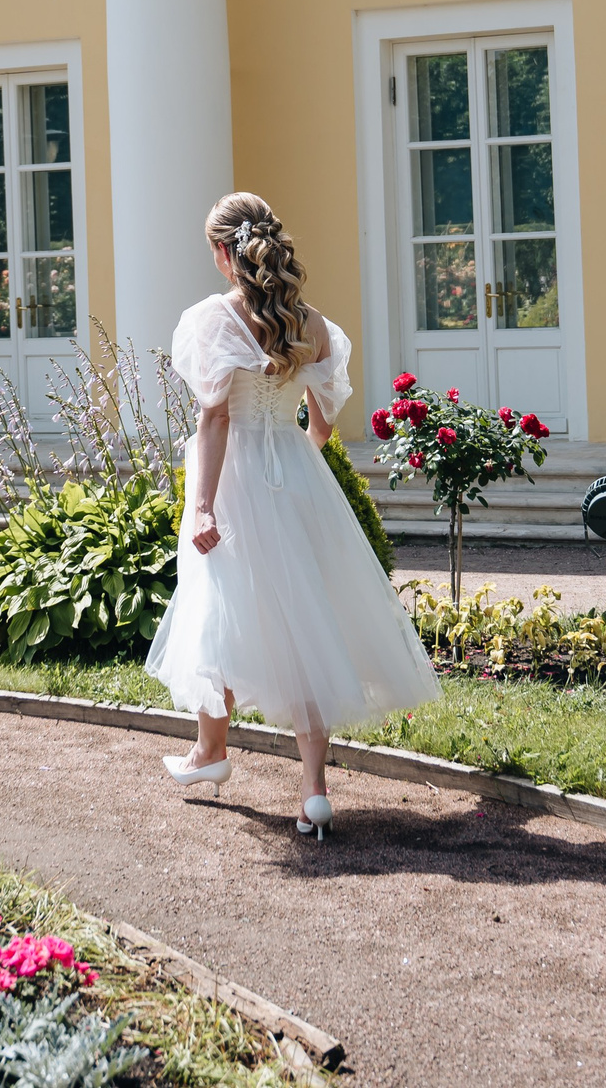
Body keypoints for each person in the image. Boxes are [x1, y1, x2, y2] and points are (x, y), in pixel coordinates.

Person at [146, 192, 442, 839]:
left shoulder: (214, 319)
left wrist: (203, 505)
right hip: (295, 473)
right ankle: (313, 792)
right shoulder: (314, 325)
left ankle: (210, 751)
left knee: (220, 612)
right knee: (307, 621)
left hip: (233, 477)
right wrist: (297, 458)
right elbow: (326, 418)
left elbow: (215, 417)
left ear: (223, 252)